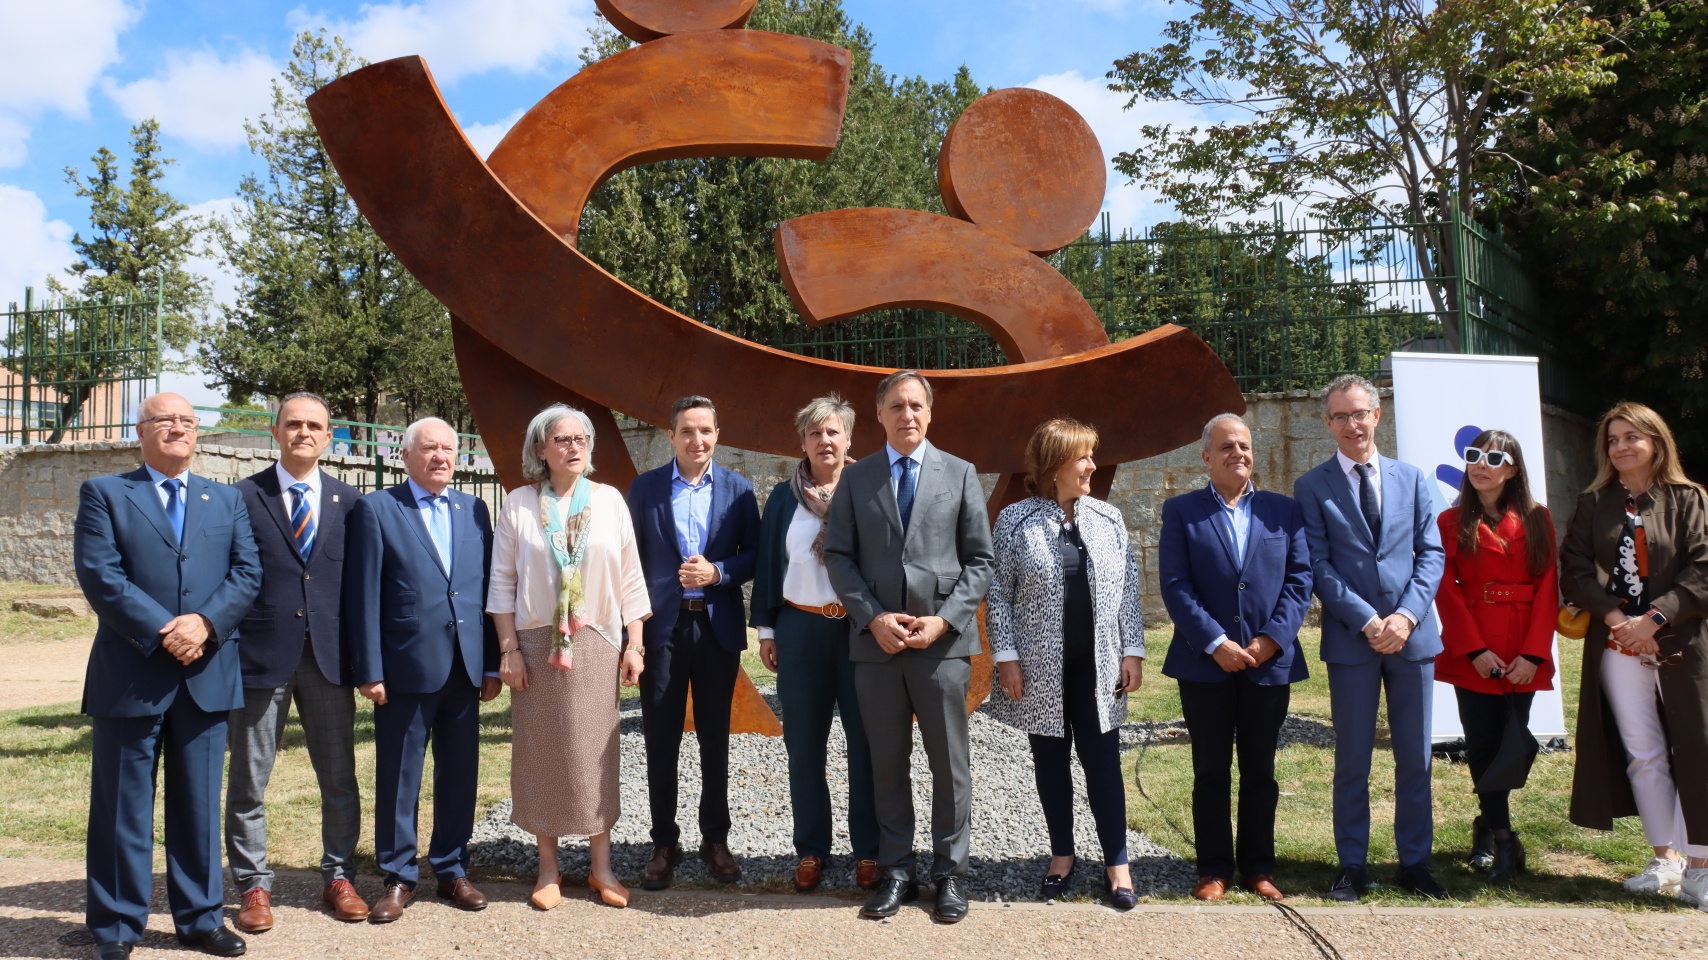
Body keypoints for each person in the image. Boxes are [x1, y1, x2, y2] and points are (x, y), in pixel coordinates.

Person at [75, 392, 262, 960]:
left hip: (205, 674)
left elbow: (247, 572)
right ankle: (115, 927)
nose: (177, 428)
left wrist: (204, 624)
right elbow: (101, 576)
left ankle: (201, 920)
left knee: (199, 804)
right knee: (121, 808)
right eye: (165, 420)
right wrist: (166, 630)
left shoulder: (225, 499)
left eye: (186, 420)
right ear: (141, 431)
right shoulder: (106, 493)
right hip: (131, 675)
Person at [823, 370, 995, 924]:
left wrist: (943, 622)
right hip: (878, 647)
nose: (908, 414)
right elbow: (839, 558)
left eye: (916, 405)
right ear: (878, 415)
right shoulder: (857, 479)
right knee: (886, 763)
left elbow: (981, 562)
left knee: (949, 764)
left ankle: (950, 874)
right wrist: (872, 619)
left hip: (940, 646)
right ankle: (897, 871)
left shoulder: (961, 474)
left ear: (930, 412)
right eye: (896, 405)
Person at [488, 404, 651, 910]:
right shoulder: (518, 504)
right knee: (541, 754)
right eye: (562, 439)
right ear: (541, 450)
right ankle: (548, 870)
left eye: (582, 438)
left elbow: (629, 578)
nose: (575, 446)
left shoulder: (610, 502)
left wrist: (635, 641)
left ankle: (602, 869)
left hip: (597, 641)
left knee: (594, 756)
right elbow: (502, 585)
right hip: (536, 644)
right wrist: (509, 650)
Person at [1292, 374, 1447, 901]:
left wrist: (1404, 617)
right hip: (1353, 642)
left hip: (1412, 638)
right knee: (1352, 757)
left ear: (1377, 415)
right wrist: (1367, 620)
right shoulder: (1312, 486)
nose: (1352, 425)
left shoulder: (1413, 477)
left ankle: (1415, 863)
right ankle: (1352, 865)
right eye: (1340, 416)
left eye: (1360, 414)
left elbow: (1432, 554)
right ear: (1328, 423)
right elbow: (1317, 563)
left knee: (1415, 756)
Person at [345, 417, 501, 922]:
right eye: (429, 449)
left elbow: (487, 594)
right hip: (404, 668)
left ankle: (452, 869)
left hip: (465, 667)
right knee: (399, 776)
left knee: (460, 774)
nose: (440, 457)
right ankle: (397, 875)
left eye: (448, 449)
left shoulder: (474, 509)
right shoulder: (377, 509)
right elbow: (362, 594)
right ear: (406, 456)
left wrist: (493, 663)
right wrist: (369, 669)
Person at [986, 418, 1146, 909]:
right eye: (1084, 458)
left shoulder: (1108, 518)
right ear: (1055, 465)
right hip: (1039, 671)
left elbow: (1128, 591)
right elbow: (998, 595)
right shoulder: (1015, 520)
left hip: (1098, 668)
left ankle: (1117, 862)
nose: (1093, 466)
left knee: (1103, 766)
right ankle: (1061, 856)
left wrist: (1132, 649)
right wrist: (1007, 658)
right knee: (1051, 765)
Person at [227, 393, 367, 932]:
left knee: (339, 778)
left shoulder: (350, 504)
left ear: (329, 436)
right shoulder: (242, 497)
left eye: (314, 425)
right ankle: (254, 886)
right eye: (294, 424)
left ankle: (338, 876)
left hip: (330, 661)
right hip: (260, 660)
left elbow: (358, 588)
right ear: (275, 431)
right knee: (248, 781)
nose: (304, 432)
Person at [1159, 412, 1312, 903]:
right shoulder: (1181, 512)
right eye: (1226, 447)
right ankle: (1214, 869)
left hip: (1269, 663)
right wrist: (1215, 643)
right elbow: (1176, 587)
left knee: (1261, 770)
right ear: (1206, 456)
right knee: (1209, 770)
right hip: (1205, 665)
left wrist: (1270, 639)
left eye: (1244, 445)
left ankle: (1258, 867)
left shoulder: (1282, 513)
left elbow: (1299, 580)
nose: (1238, 454)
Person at [1561, 402, 1708, 904]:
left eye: (1631, 437)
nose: (1620, 446)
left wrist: (1656, 618)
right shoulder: (1593, 503)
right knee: (1643, 752)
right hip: (1617, 640)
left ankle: (1701, 867)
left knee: (1697, 745)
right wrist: (1619, 621)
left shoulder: (1690, 499)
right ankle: (1665, 859)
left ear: (1656, 441)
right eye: (1613, 439)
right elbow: (1575, 569)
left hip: (1680, 640)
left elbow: (1703, 569)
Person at [624, 396, 761, 889]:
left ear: (717, 434)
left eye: (705, 431)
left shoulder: (740, 490)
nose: (696, 440)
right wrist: (631, 637)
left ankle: (715, 838)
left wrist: (719, 571)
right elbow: (629, 560)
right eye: (686, 431)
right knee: (660, 740)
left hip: (717, 628)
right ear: (671, 435)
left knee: (714, 739)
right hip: (662, 630)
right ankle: (664, 842)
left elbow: (755, 556)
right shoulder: (644, 490)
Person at [751, 395, 881, 893]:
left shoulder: (870, 489)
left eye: (833, 432)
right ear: (801, 442)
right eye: (814, 434)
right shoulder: (785, 497)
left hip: (858, 632)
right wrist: (766, 630)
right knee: (805, 747)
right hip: (800, 632)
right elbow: (768, 564)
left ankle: (869, 851)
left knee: (865, 746)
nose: (824, 441)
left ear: (849, 439)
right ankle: (810, 849)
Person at [1434, 430, 1557, 885]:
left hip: (1523, 645)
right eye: (1473, 456)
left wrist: (1532, 654)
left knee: (1511, 743)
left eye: (1493, 457)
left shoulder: (1539, 519)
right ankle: (1504, 839)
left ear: (1513, 468)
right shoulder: (1449, 521)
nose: (1480, 464)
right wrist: (1474, 650)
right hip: (1476, 649)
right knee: (1483, 744)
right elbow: (1446, 589)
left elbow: (1549, 588)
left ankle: (1486, 824)